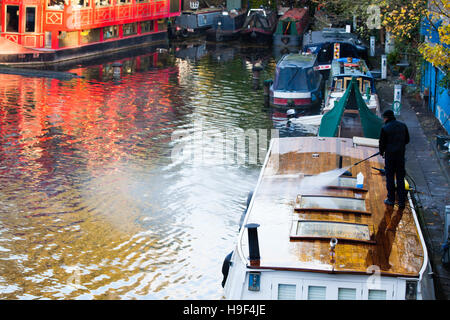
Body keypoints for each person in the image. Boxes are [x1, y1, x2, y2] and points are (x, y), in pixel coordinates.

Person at [379, 109, 410, 208]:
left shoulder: (385, 128)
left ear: (386, 118)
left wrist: (382, 152)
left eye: (383, 118)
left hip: (390, 157)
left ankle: (391, 199)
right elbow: (407, 140)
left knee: (390, 178)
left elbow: (382, 144)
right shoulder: (403, 125)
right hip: (400, 156)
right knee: (400, 178)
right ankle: (401, 202)